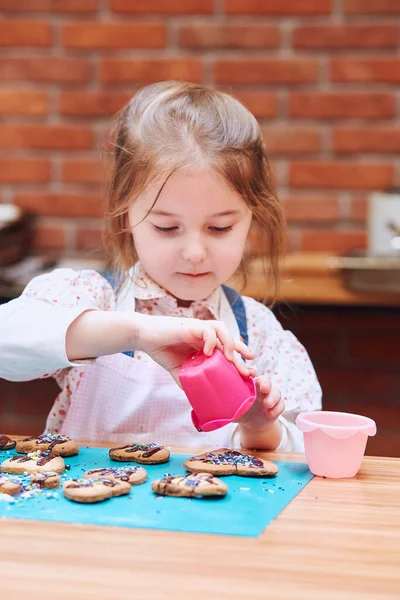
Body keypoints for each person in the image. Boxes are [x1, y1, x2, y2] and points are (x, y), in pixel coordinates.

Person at [0, 81, 321, 450]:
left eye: (220, 227)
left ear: (252, 218)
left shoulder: (260, 336)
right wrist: (135, 333)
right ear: (126, 216)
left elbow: (303, 449)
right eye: (167, 228)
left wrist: (261, 428)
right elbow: (6, 345)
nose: (195, 252)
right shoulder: (94, 297)